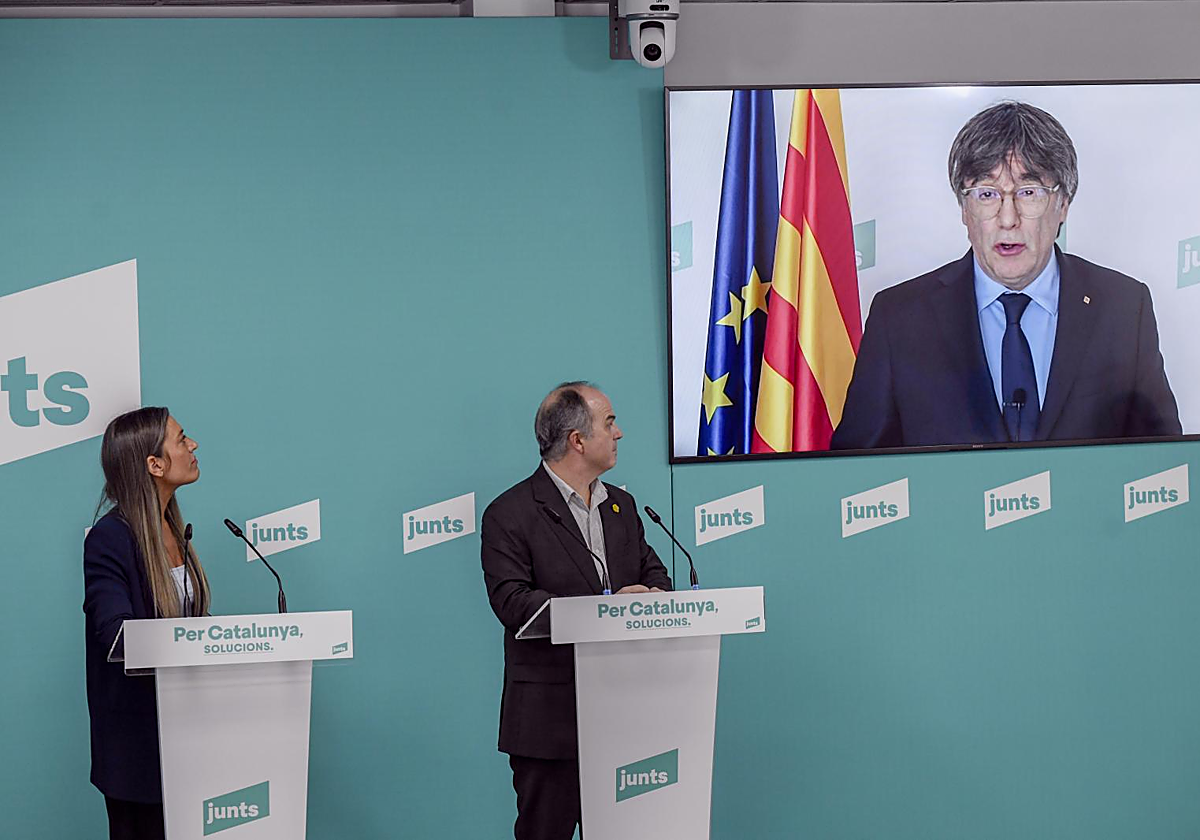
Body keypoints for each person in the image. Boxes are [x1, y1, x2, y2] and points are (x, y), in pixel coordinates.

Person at [830, 101, 1181, 450]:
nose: (1008, 218)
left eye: (1028, 193)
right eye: (987, 194)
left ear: (1063, 204)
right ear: (964, 209)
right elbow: (856, 471)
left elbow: (1164, 467)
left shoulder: (1122, 308)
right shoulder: (900, 318)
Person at [481, 381, 672, 840]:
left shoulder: (623, 507)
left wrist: (647, 598)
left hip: (628, 714)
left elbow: (657, 579)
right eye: (609, 422)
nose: (619, 433)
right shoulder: (509, 513)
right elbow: (513, 602)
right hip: (550, 722)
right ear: (578, 440)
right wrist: (605, 610)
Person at [83, 407, 211, 840]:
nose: (192, 446)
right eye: (181, 439)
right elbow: (116, 635)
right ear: (154, 465)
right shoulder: (110, 538)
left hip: (192, 740)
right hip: (139, 753)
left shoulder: (175, 530)